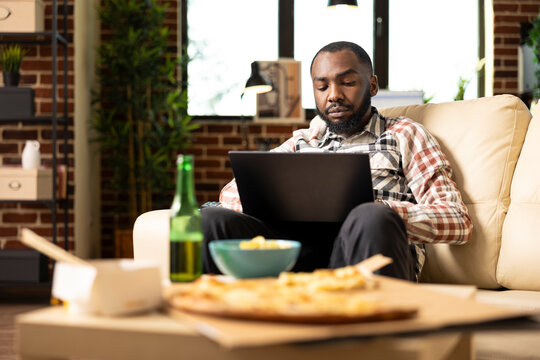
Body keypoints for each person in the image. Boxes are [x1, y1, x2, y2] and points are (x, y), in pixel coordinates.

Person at [202, 41, 472, 281]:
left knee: (371, 215)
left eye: (347, 83)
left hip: (361, 250)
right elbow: (230, 194)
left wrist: (383, 210)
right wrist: (280, 207)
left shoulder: (404, 133)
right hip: (297, 256)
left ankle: (373, 331)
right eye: (322, 86)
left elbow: (457, 220)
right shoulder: (303, 141)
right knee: (211, 220)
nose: (333, 95)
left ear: (372, 85)